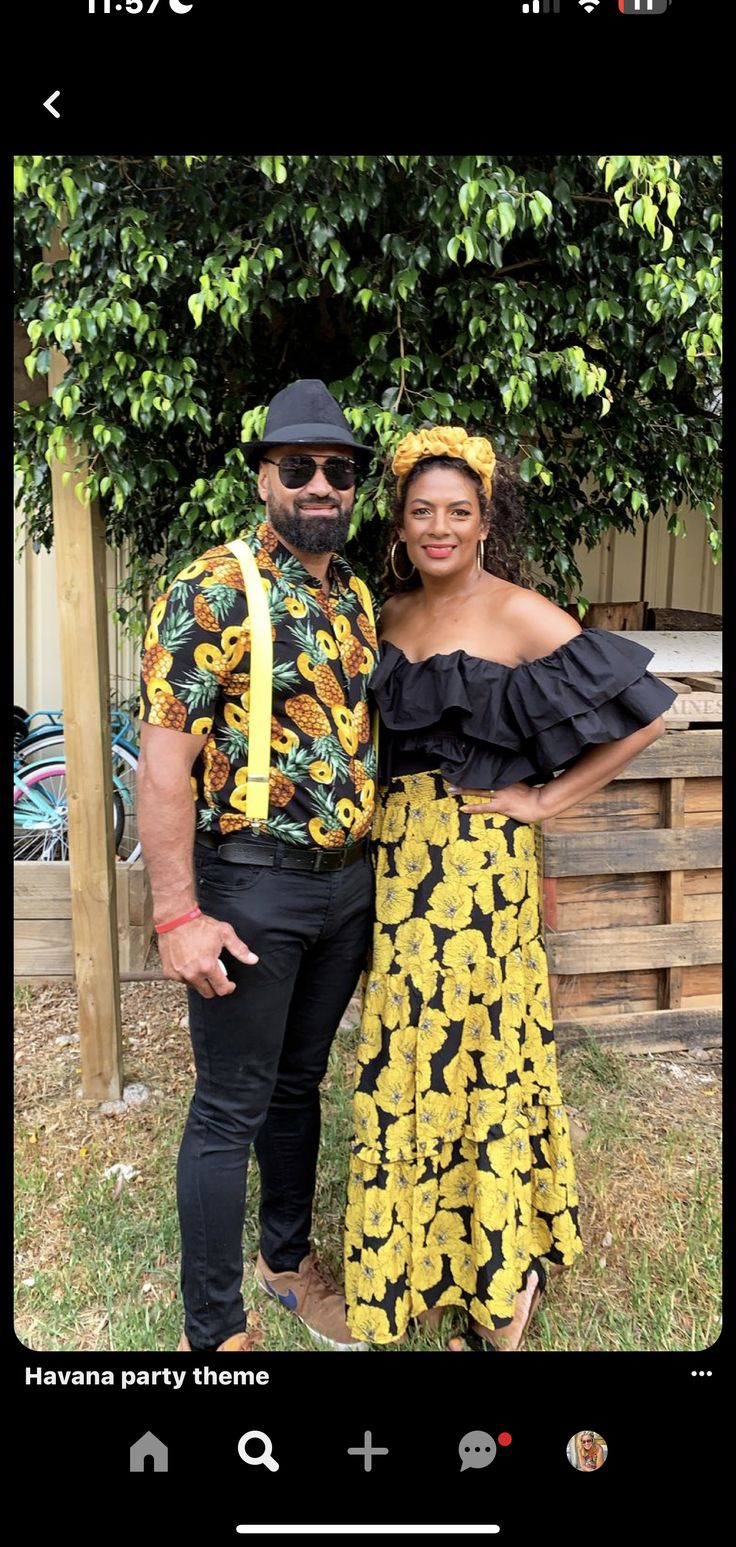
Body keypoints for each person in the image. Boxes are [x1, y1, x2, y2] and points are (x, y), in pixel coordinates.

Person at [343, 424, 677, 1350]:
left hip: (480, 875)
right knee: (408, 1060)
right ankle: (417, 1263)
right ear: (401, 526)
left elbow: (644, 717)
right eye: (422, 512)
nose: (439, 527)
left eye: (458, 511)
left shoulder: (522, 613)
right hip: (398, 868)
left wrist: (544, 799)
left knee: (483, 1061)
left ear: (486, 522)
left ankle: (504, 1277)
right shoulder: (387, 616)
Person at [137, 378, 378, 1352]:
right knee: (230, 1103)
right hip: (249, 883)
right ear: (265, 476)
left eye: (338, 469)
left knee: (298, 1080)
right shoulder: (213, 587)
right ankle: (212, 1329)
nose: (319, 484)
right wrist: (175, 915)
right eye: (299, 466)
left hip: (345, 884)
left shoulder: (354, 596)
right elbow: (162, 765)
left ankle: (286, 1261)